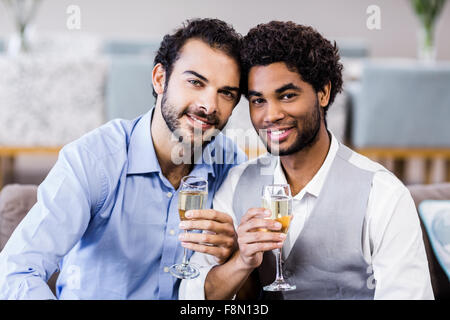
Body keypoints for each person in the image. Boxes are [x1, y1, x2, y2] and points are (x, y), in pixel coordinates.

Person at [179, 21, 434, 300]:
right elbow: (192, 298)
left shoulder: (383, 194)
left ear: (323, 93)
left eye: (287, 96)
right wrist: (242, 262)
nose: (271, 115)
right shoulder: (236, 183)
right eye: (258, 100)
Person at [0, 18, 246, 300]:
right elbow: (17, 271)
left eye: (226, 93)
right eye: (195, 82)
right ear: (159, 79)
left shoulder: (231, 166)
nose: (209, 105)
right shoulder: (94, 160)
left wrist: (234, 251)